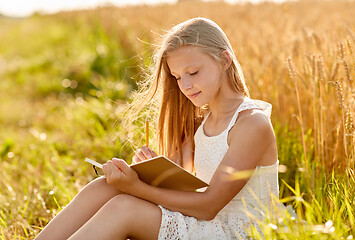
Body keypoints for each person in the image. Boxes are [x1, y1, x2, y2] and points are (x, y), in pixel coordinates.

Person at [35, 17, 279, 240]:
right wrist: (152, 171)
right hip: (208, 224)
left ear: (225, 60)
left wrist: (137, 187)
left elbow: (208, 206)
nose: (185, 85)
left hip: (239, 233)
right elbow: (182, 182)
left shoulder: (251, 123)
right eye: (177, 77)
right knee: (106, 186)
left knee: (124, 208)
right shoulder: (204, 121)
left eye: (193, 72)